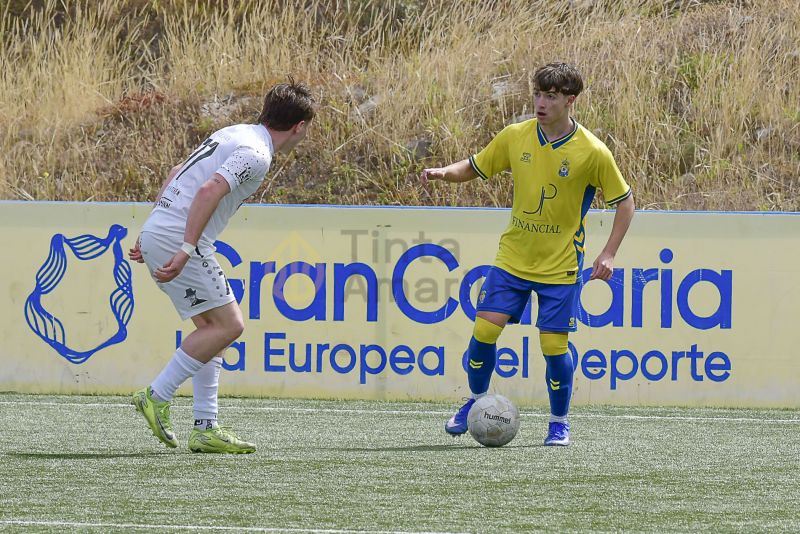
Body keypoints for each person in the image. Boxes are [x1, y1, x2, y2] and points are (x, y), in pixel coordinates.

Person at [420, 62, 634, 446]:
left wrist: (609, 253)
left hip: (561, 265)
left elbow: (625, 202)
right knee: (484, 331)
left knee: (554, 347)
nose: (541, 102)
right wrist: (444, 173)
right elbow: (474, 166)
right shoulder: (515, 136)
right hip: (513, 259)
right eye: (537, 94)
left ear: (570, 101)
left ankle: (558, 422)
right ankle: (473, 403)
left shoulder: (592, 151)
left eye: (551, 96)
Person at [128, 80, 315, 453]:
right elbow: (208, 190)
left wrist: (152, 227)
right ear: (299, 127)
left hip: (161, 229)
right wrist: (185, 248)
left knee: (212, 330)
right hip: (179, 238)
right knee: (230, 325)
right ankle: (157, 395)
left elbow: (179, 169)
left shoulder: (235, 132)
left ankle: (205, 426)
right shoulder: (257, 153)